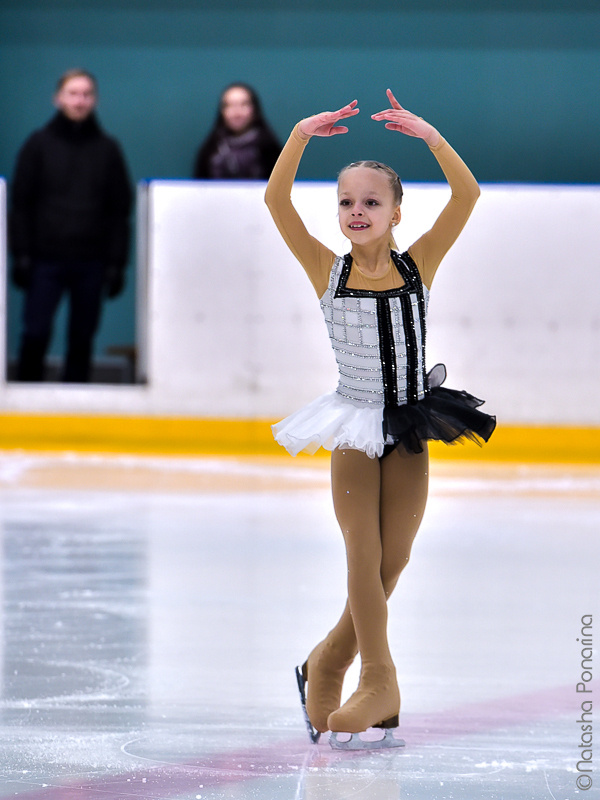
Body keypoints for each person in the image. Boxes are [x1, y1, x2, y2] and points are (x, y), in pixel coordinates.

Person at [264, 90, 495, 749]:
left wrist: (429, 135)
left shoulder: (418, 265)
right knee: (363, 554)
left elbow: (468, 195)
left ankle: (325, 662)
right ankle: (379, 678)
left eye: (371, 201)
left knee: (395, 558)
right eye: (345, 202)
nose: (357, 211)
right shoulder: (326, 270)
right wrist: (301, 136)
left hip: (413, 422)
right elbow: (276, 203)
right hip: (353, 427)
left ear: (396, 211)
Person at [9, 68, 133, 382]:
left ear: (95, 100)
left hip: (91, 260)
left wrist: (117, 262)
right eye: (73, 93)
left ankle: (77, 404)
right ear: (58, 98)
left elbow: (120, 211)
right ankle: (26, 403)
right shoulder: (37, 145)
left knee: (82, 337)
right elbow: (20, 204)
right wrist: (21, 255)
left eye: (86, 94)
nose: (80, 100)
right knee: (35, 332)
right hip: (44, 259)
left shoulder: (108, 149)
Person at [193, 83, 281, 180]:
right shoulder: (210, 151)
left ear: (254, 109)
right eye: (230, 105)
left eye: (244, 104)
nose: (237, 112)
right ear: (222, 111)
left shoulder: (270, 150)